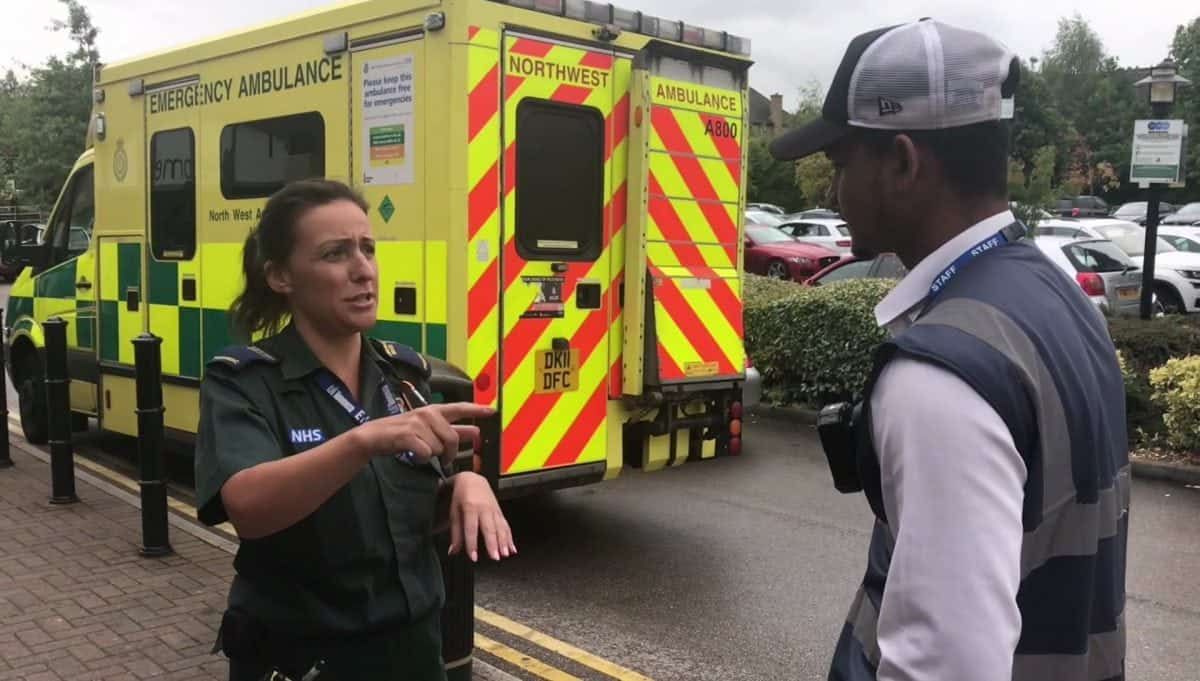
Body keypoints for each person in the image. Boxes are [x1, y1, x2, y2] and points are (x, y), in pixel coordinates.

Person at [771, 19, 1129, 681]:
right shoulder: (1064, 302)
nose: (833, 193)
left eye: (843, 164)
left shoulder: (941, 375)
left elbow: (946, 667)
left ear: (903, 163)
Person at [194, 179, 515, 681]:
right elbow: (248, 508)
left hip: (412, 655)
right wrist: (364, 440)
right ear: (281, 276)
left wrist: (462, 486)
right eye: (334, 254)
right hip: (305, 661)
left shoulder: (403, 376)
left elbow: (397, 512)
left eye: (367, 249)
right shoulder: (245, 382)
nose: (362, 269)